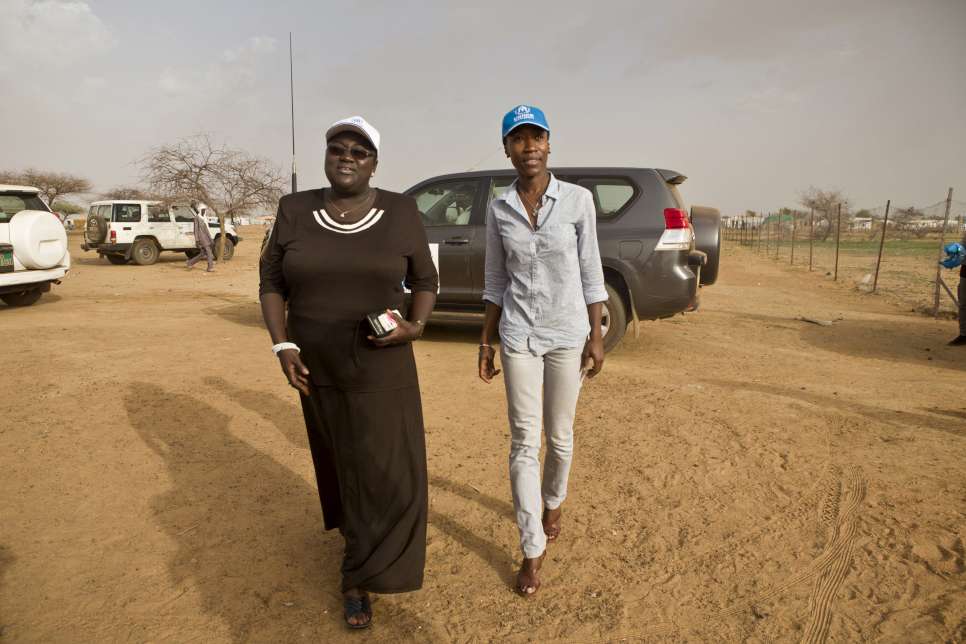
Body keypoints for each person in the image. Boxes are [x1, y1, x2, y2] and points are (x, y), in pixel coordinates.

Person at [259, 116, 438, 629]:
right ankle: (356, 567)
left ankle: (368, 563)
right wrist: (283, 343)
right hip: (315, 364)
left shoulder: (401, 211)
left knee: (386, 465)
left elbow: (424, 280)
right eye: (338, 148)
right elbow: (271, 282)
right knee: (342, 460)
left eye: (359, 152)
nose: (347, 157)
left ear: (374, 163)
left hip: (383, 360)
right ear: (326, 155)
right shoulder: (294, 209)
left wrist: (416, 325)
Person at [478, 104, 607, 597]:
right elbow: (495, 279)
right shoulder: (498, 207)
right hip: (518, 335)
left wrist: (596, 335)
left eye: (536, 138)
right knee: (523, 442)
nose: (528, 147)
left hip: (567, 333)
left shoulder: (577, 201)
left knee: (560, 436)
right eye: (518, 139)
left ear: (549, 144)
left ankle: (555, 499)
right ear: (507, 149)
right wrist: (486, 340)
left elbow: (591, 271)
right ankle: (531, 548)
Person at [186, 205, 214, 272]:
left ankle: (190, 263)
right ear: (200, 210)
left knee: (203, 253)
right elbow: (195, 229)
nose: (204, 211)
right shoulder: (197, 218)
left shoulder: (204, 218)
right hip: (201, 238)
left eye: (205, 209)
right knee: (209, 252)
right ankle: (210, 267)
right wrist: (197, 240)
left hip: (207, 237)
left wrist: (211, 239)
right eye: (203, 209)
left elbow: (207, 229)